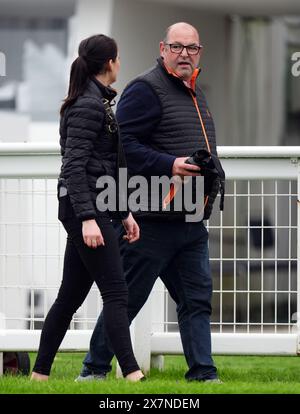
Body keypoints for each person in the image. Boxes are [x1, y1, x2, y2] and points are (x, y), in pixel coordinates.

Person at [77, 22, 221, 383]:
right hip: (150, 219)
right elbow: (123, 147)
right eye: (177, 47)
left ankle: (203, 374)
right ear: (163, 48)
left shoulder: (194, 91)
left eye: (192, 48)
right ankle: (93, 370)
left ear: (199, 52)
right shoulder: (145, 88)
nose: (185, 54)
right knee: (126, 299)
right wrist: (169, 163)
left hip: (189, 220)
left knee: (196, 300)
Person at [31, 34, 145, 382]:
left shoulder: (95, 102)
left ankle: (39, 376)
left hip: (96, 208)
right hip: (86, 211)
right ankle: (132, 374)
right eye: (119, 58)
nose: (120, 63)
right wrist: (88, 220)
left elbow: (103, 167)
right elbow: (74, 169)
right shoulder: (87, 106)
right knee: (116, 292)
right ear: (109, 63)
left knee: (69, 296)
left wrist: (123, 211)